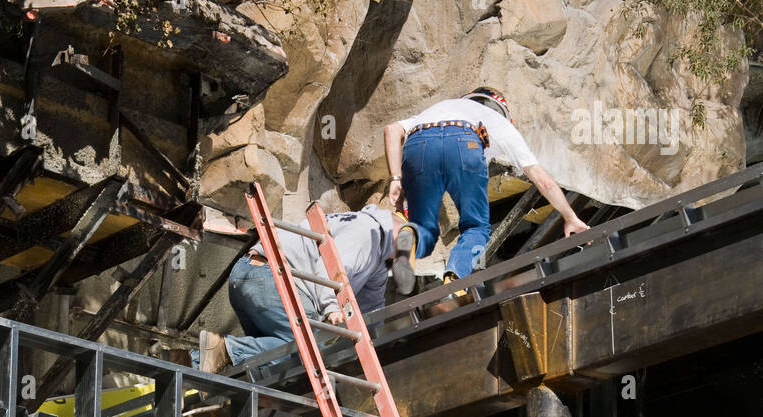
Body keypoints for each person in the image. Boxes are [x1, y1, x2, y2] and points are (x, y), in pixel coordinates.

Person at [383, 87, 589, 287]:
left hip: (419, 144)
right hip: (466, 141)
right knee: (476, 227)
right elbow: (543, 180)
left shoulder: (439, 108)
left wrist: (395, 177)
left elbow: (391, 130)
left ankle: (407, 236)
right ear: (502, 112)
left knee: (418, 220)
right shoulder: (499, 123)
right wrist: (570, 218)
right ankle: (454, 279)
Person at [197, 205, 415, 374]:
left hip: (251, 275)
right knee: (310, 353)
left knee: (270, 362)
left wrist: (373, 343)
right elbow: (329, 266)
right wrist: (331, 307)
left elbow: (372, 306)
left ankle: (197, 361)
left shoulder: (377, 257)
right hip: (271, 279)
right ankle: (225, 350)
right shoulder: (367, 233)